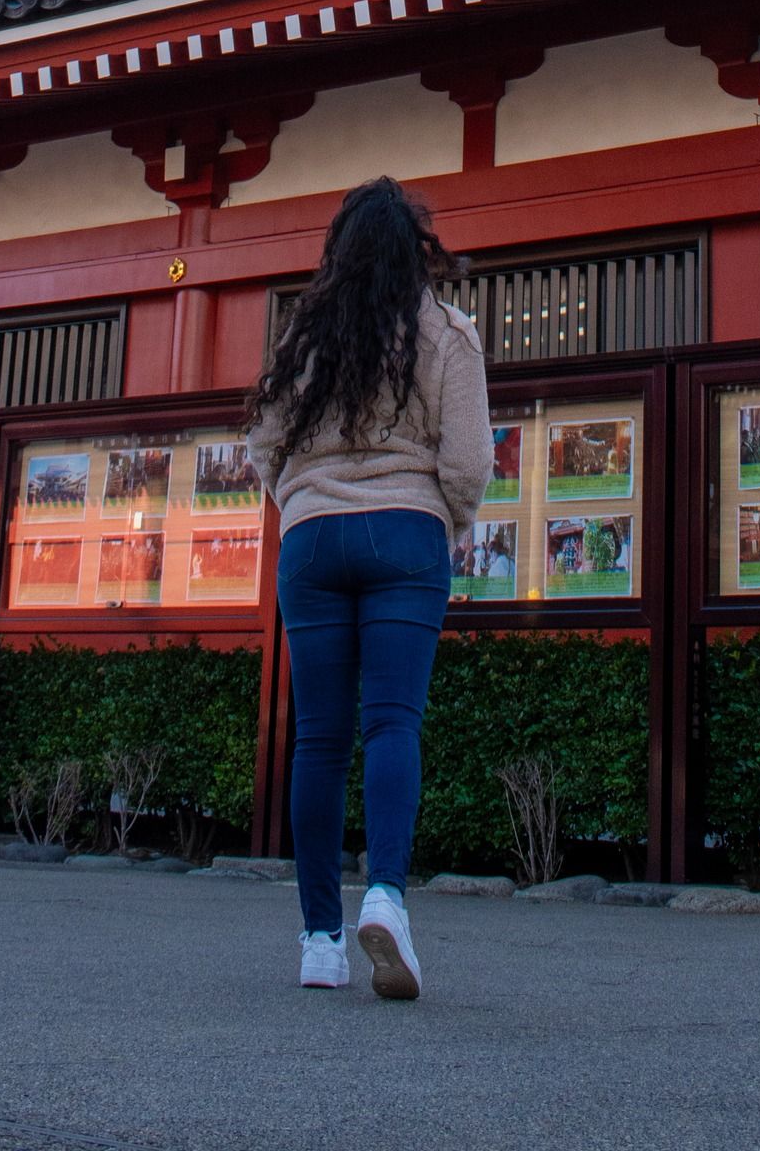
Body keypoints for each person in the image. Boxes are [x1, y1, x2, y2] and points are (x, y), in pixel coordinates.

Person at [247, 177, 493, 1001]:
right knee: (393, 723)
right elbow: (466, 463)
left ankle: (319, 940)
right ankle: (385, 893)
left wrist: (304, 505)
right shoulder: (447, 332)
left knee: (318, 739)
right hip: (407, 534)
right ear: (413, 249)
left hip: (312, 541)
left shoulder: (303, 338)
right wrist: (439, 524)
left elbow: (263, 447)